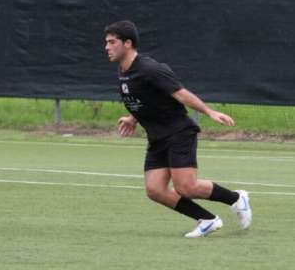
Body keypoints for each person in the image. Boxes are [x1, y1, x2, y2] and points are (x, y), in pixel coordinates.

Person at [104, 20, 252, 238]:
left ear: (128, 43)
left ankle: (236, 199)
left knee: (186, 187)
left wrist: (209, 112)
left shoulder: (150, 69)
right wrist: (132, 119)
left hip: (178, 132)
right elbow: (146, 99)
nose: (107, 47)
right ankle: (208, 220)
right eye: (106, 42)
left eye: (111, 42)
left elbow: (180, 94)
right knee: (155, 190)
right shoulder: (124, 71)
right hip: (157, 138)